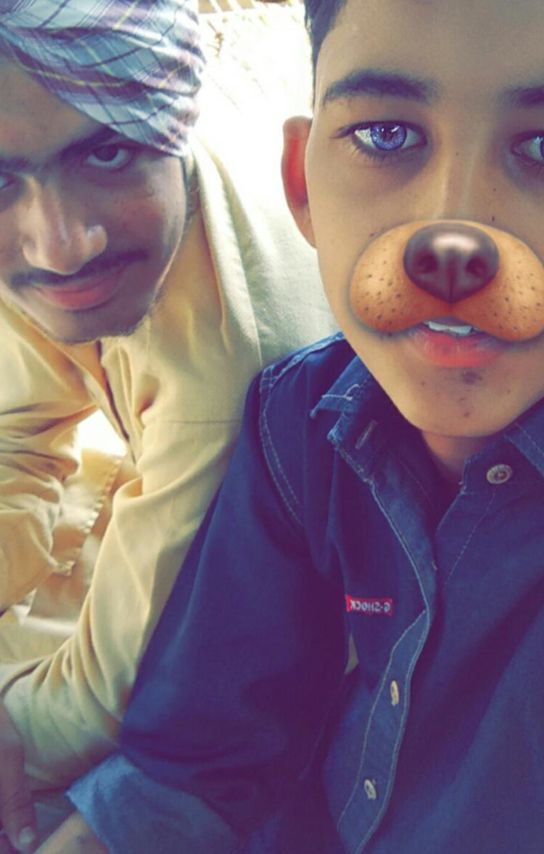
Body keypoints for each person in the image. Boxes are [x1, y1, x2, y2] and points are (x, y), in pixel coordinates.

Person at [44, 0, 544, 850]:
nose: (451, 238)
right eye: (386, 136)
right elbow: (195, 767)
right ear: (303, 187)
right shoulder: (301, 421)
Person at [0, 0, 335, 849]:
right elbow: (20, 438)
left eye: (107, 153)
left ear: (171, 126)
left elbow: (115, 696)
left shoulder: (242, 377)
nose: (61, 246)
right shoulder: (82, 219)